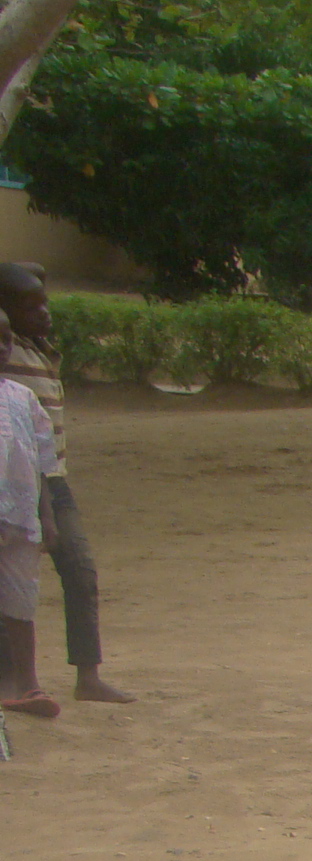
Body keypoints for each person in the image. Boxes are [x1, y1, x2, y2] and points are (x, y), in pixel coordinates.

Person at [0, 264, 128, 704]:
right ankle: (14, 681)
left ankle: (87, 676)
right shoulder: (6, 351)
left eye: (45, 301)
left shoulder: (36, 349)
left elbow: (31, 269)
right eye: (30, 305)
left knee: (79, 570)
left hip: (53, 481)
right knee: (12, 581)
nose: (44, 311)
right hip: (14, 487)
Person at [0, 310, 60, 720]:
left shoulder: (22, 398)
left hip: (21, 521)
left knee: (22, 604)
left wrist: (48, 517)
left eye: (5, 340)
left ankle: (29, 685)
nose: (1, 349)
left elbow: (42, 462)